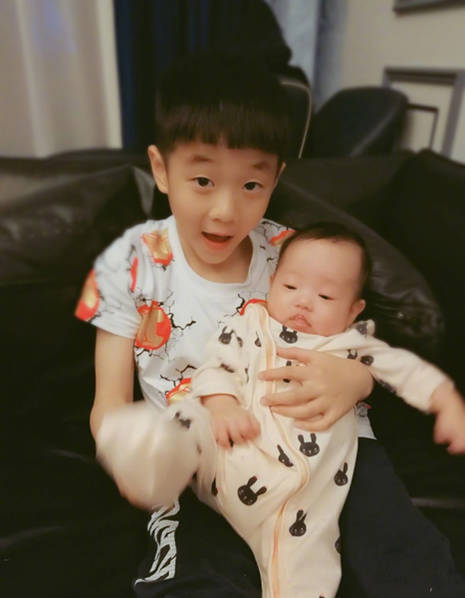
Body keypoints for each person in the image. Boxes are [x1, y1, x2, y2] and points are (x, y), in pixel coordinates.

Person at [75, 50, 465, 598]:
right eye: (203, 180)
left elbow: (357, 337)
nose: (225, 210)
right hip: (201, 462)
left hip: (326, 445)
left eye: (251, 186)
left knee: (404, 554)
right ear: (161, 170)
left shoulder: (290, 251)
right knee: (196, 575)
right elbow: (109, 405)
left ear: (276, 178)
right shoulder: (129, 265)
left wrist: (358, 379)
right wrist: (128, 459)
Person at [96, 222, 465, 598]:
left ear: (353, 310)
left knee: (305, 571)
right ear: (272, 284)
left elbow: (408, 371)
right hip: (226, 452)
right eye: (290, 287)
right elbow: (216, 365)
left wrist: (448, 403)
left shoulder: (353, 345)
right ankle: (144, 459)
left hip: (300, 496)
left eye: (325, 296)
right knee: (188, 417)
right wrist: (222, 405)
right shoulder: (250, 324)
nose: (303, 302)